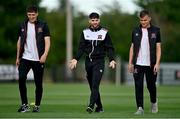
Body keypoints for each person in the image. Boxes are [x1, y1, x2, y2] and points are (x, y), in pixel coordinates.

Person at [69, 12, 116, 113]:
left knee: (95, 84)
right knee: (92, 85)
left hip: (99, 62)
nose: (95, 22)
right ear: (89, 21)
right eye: (93, 20)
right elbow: (81, 47)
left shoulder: (104, 32)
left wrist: (112, 59)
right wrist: (76, 59)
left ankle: (91, 105)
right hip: (88, 62)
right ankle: (99, 106)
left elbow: (109, 48)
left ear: (99, 20)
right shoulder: (85, 32)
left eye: (97, 20)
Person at [16, 5, 50, 112]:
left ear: (37, 14)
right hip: (25, 58)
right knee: (21, 79)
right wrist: (18, 57)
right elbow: (19, 41)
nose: (31, 16)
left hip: (38, 59)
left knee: (38, 83)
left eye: (33, 14)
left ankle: (37, 106)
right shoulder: (23, 25)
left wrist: (44, 55)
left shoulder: (43, 25)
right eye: (29, 15)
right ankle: (24, 104)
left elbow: (48, 42)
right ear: (27, 14)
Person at [128, 10, 161, 115]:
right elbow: (132, 47)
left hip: (151, 64)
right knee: (138, 86)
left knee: (151, 86)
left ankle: (154, 102)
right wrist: (130, 63)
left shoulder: (156, 31)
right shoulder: (135, 30)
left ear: (149, 19)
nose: (143, 22)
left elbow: (158, 48)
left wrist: (157, 63)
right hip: (138, 63)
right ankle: (140, 108)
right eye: (141, 20)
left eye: (145, 20)